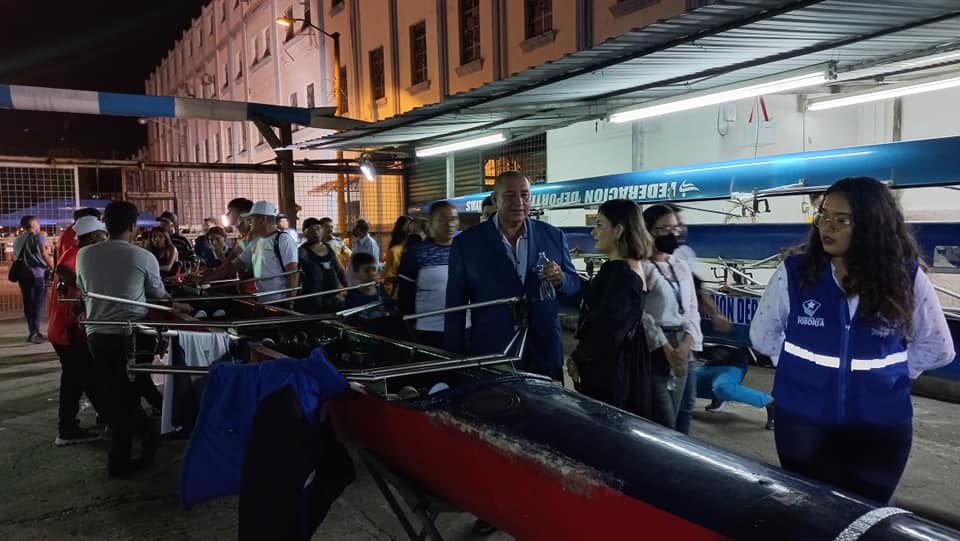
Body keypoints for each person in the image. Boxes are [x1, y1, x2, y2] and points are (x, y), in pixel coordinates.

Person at [750, 176, 955, 504]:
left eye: (841, 220)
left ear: (872, 224)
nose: (827, 227)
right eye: (823, 216)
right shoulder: (795, 272)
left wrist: (889, 375)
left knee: (865, 514)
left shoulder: (906, 278)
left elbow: (938, 347)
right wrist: (798, 369)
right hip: (802, 423)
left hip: (880, 428)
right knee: (810, 511)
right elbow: (762, 334)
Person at [77, 201, 190, 477]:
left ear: (105, 224)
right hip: (131, 335)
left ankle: (125, 452)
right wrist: (176, 305)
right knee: (127, 395)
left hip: (97, 335)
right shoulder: (142, 256)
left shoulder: (84, 255)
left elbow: (83, 287)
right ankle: (138, 443)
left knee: (117, 392)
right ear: (133, 226)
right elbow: (158, 293)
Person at [445, 170, 580, 380]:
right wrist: (454, 361)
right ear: (494, 199)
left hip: (544, 351)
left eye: (524, 195)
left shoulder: (552, 236)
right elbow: (455, 307)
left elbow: (574, 284)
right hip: (493, 351)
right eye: (510, 195)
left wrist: (562, 280)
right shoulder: (467, 243)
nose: (519, 202)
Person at [566, 199, 655, 416]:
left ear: (618, 230)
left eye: (599, 225)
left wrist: (578, 357)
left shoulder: (622, 274)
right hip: (617, 370)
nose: (593, 232)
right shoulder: (625, 269)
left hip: (610, 375)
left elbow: (608, 329)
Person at [664, 206, 730, 435]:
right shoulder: (650, 262)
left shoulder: (684, 255)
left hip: (686, 343)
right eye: (671, 227)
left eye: (680, 225)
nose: (680, 230)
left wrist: (715, 313)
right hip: (665, 345)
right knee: (667, 408)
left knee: (685, 405)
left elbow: (696, 292)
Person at [48, 216, 108, 446]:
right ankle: (68, 428)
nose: (105, 237)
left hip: (67, 329)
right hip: (69, 330)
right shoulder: (77, 254)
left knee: (81, 377)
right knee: (80, 379)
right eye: (102, 234)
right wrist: (85, 287)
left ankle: (103, 416)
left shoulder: (78, 252)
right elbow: (62, 269)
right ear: (93, 236)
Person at [641, 204, 702, 430]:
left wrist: (686, 344)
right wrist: (666, 347)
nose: (672, 234)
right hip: (655, 347)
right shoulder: (642, 267)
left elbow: (692, 307)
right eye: (665, 229)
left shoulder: (680, 265)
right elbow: (641, 313)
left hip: (682, 343)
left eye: (675, 228)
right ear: (648, 230)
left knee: (683, 411)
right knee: (663, 419)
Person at [207, 201, 299, 302]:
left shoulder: (283, 239)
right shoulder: (256, 242)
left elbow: (293, 274)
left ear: (262, 219)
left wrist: (289, 303)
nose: (250, 223)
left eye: (252, 219)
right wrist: (205, 278)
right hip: (262, 301)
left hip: (279, 301)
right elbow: (233, 266)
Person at [398, 202, 460, 348]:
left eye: (453, 219)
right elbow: (406, 294)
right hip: (428, 331)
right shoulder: (416, 253)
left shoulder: (465, 251)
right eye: (442, 219)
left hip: (463, 328)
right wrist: (413, 324)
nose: (449, 224)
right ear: (431, 222)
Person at [694, 344, 774, 430]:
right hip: (709, 366)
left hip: (734, 366)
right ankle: (718, 397)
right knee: (685, 382)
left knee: (723, 387)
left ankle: (769, 401)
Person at [13, 215, 54, 343]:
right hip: (37, 274)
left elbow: (17, 254)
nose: (39, 225)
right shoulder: (38, 237)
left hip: (22, 275)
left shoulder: (18, 239)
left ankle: (33, 331)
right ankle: (34, 334)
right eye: (38, 223)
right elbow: (44, 253)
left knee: (28, 304)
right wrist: (52, 267)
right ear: (33, 224)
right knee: (38, 304)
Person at [298, 217, 348, 313]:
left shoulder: (329, 247)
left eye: (318, 229)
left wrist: (350, 288)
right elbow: (298, 275)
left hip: (334, 297)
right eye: (311, 231)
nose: (316, 233)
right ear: (305, 233)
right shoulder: (303, 252)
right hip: (315, 300)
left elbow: (340, 270)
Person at [344, 252, 393, 320]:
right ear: (356, 274)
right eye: (367, 271)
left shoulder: (381, 289)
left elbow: (389, 307)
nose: (372, 273)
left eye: (374, 269)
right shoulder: (352, 296)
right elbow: (350, 320)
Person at [381, 215, 412, 298]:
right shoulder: (394, 251)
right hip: (399, 296)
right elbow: (388, 278)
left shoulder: (413, 249)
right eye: (409, 226)